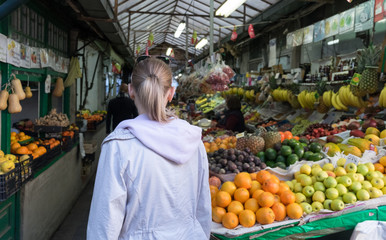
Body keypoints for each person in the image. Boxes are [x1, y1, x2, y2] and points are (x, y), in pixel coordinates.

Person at [87, 58, 211, 239]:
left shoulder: (118, 147)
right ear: (171, 93)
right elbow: (203, 209)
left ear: (131, 90)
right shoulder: (194, 141)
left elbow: (104, 225)